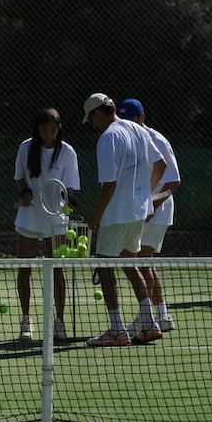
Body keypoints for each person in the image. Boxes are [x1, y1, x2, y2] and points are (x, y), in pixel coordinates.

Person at [83, 93, 167, 347]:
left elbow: (109, 184)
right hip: (139, 212)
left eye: (92, 118)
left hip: (117, 213)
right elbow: (160, 165)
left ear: (98, 113)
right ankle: (149, 323)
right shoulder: (139, 130)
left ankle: (118, 330)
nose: (93, 124)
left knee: (106, 267)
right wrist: (146, 197)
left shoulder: (108, 137)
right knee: (130, 264)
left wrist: (96, 215)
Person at [13, 108, 80, 341]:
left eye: (53, 129)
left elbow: (70, 186)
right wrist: (25, 192)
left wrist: (69, 202)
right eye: (44, 130)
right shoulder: (25, 147)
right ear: (37, 129)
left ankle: (59, 321)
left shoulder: (67, 152)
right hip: (29, 216)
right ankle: (26, 321)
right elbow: (20, 176)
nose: (48, 134)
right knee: (24, 269)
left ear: (59, 128)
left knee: (57, 270)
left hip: (56, 218)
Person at [116, 98, 181, 335]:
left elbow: (174, 181)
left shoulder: (157, 140)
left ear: (142, 117)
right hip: (140, 210)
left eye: (131, 119)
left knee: (140, 261)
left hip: (156, 211)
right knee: (145, 262)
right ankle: (161, 315)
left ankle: (149, 318)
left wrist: (151, 206)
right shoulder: (126, 139)